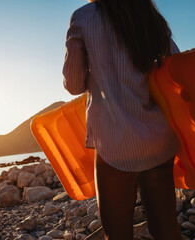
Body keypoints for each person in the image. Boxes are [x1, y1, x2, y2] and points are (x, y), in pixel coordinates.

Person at [63, 0, 183, 239]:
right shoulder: (148, 14)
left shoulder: (83, 17)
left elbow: (74, 85)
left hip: (115, 144)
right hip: (159, 138)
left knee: (117, 235)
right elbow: (175, 67)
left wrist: (99, 71)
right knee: (166, 230)